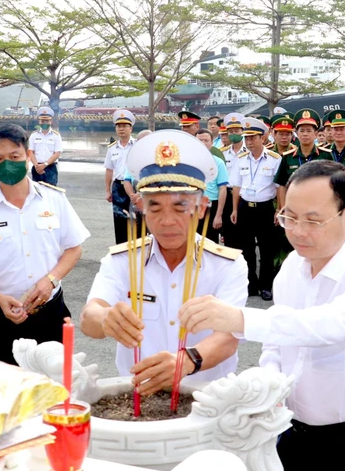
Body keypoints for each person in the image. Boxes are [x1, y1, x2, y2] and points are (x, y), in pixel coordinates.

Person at [178, 160, 345, 471]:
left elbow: (329, 324)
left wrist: (239, 318)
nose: (297, 231)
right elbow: (278, 346)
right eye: (289, 218)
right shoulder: (292, 268)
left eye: (312, 221)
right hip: (292, 435)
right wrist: (267, 386)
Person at [82, 130, 248, 392]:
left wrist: (186, 362)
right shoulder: (123, 260)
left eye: (181, 207)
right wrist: (105, 318)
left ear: (202, 207)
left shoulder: (227, 265)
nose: (167, 221)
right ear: (142, 207)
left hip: (206, 398)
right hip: (139, 396)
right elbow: (88, 317)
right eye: (155, 207)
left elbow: (228, 338)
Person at [0, 124, 89, 365]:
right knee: (7, 385)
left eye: (14, 157)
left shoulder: (54, 199)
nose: (7, 164)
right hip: (3, 316)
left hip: (50, 312)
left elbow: (74, 248)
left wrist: (50, 280)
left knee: (55, 383)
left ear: (28, 155)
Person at [230, 117, 282, 301]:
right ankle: (251, 284)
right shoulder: (240, 159)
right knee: (246, 249)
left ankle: (266, 286)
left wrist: (279, 209)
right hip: (245, 207)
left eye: (253, 138)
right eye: (247, 138)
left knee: (267, 249)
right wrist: (234, 209)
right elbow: (236, 186)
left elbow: (279, 187)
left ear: (263, 138)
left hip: (265, 208)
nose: (249, 141)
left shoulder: (275, 159)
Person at [276, 109, 326, 218]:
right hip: (294, 207)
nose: (305, 134)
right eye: (302, 131)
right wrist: (284, 208)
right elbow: (282, 184)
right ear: (297, 134)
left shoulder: (325, 155)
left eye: (309, 131)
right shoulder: (288, 157)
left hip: (319, 207)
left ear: (316, 134)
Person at [104, 110, 136, 244]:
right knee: (119, 219)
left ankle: (136, 248)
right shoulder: (112, 148)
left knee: (136, 218)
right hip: (118, 186)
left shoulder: (137, 146)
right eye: (119, 126)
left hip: (134, 186)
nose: (121, 129)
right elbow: (109, 169)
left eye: (124, 126)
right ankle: (122, 248)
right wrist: (108, 190)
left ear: (131, 128)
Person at [196, 128, 230, 243]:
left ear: (212, 143)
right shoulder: (189, 162)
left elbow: (222, 189)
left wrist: (218, 215)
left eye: (206, 140)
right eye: (200, 140)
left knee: (210, 243)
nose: (203, 143)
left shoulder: (218, 162)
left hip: (211, 206)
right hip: (193, 205)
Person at [219, 113, 246, 249]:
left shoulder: (249, 151)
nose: (233, 134)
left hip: (243, 196)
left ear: (243, 131)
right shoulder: (222, 153)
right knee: (228, 234)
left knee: (244, 234)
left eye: (236, 131)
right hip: (227, 196)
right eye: (230, 132)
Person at [28, 107, 62, 186]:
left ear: (51, 121)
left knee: (51, 190)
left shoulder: (56, 136)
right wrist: (37, 166)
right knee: (37, 191)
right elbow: (30, 152)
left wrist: (45, 165)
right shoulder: (34, 135)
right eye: (42, 121)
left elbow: (57, 153)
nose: (45, 123)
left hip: (50, 168)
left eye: (47, 121)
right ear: (39, 121)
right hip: (36, 167)